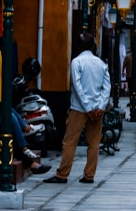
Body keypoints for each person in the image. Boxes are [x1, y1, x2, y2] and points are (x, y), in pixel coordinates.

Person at [44, 33, 111, 185]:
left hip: (79, 108)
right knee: (94, 143)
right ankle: (89, 175)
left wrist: (87, 107)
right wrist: (100, 107)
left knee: (69, 142)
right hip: (97, 109)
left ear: (78, 46)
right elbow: (107, 87)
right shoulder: (101, 63)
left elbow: (77, 86)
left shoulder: (77, 62)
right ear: (93, 46)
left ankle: (63, 174)